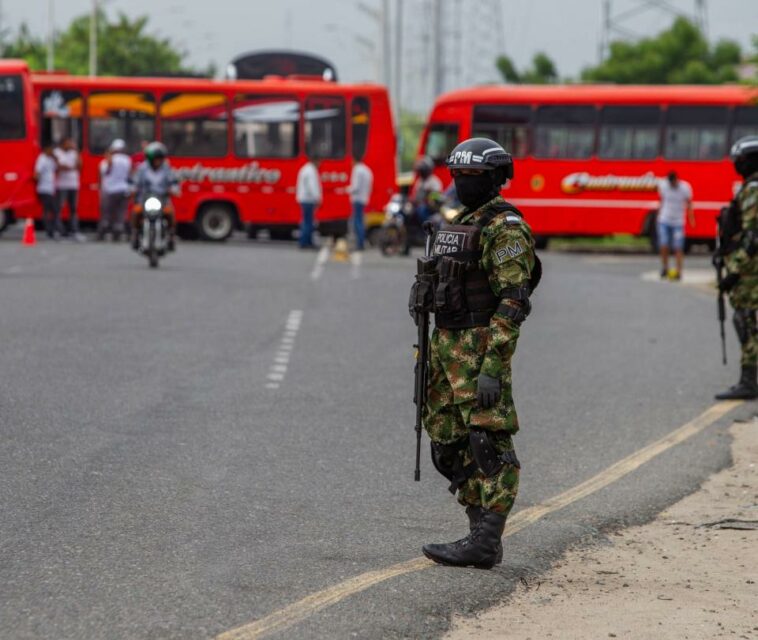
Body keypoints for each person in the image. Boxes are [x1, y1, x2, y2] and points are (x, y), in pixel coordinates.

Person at [411, 138, 541, 569]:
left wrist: (493, 368)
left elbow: (512, 301)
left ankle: (487, 539)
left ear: (495, 178)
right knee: (446, 442)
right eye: (458, 175)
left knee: (488, 443)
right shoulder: (460, 221)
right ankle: (476, 529)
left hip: (481, 349)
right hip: (446, 349)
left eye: (473, 176)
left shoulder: (506, 228)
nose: (463, 183)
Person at [714, 136, 758, 400]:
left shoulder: (753, 189)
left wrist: (733, 272)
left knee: (746, 321)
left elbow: (754, 237)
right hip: (748, 268)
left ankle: (749, 382)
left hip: (750, 272)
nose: (735, 165)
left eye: (739, 160)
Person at [131, 141, 179, 251]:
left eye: (160, 158)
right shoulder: (142, 169)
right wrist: (132, 189)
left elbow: (173, 182)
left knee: (170, 213)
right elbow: (135, 182)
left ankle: (171, 236)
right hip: (145, 200)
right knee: (136, 212)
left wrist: (174, 189)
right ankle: (135, 234)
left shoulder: (166, 168)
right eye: (155, 158)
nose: (158, 161)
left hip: (162, 200)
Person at [657, 171, 694, 280]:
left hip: (678, 222)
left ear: (677, 180)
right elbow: (661, 200)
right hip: (664, 220)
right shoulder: (663, 186)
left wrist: (691, 218)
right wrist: (659, 214)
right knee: (664, 245)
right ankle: (665, 268)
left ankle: (678, 271)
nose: (672, 185)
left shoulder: (685, 188)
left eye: (673, 182)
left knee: (678, 247)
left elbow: (689, 202)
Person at [98, 139, 133, 242]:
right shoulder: (127, 160)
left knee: (107, 213)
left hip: (109, 191)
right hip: (124, 190)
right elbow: (130, 175)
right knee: (121, 213)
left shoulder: (108, 160)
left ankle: (103, 232)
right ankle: (118, 232)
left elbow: (104, 173)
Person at [53, 137, 83, 240]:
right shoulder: (57, 152)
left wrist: (77, 151)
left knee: (73, 209)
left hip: (73, 184)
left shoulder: (73, 153)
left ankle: (74, 231)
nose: (70, 145)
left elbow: (79, 166)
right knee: (59, 208)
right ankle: (59, 230)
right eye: (68, 143)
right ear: (63, 143)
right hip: (62, 185)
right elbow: (60, 166)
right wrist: (70, 167)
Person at [34, 143, 60, 239]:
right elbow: (37, 173)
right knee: (50, 210)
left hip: (51, 188)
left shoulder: (50, 159)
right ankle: (49, 230)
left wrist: (56, 158)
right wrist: (38, 179)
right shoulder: (42, 159)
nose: (52, 152)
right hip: (44, 188)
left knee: (53, 210)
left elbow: (57, 168)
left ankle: (51, 229)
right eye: (51, 150)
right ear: (46, 149)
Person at [296, 156, 322, 249]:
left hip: (304, 199)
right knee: (308, 222)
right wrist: (317, 198)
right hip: (308, 199)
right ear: (315, 161)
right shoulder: (311, 171)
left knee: (307, 221)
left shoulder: (305, 169)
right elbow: (312, 186)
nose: (320, 164)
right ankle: (305, 242)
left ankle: (306, 241)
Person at [348, 155, 373, 251]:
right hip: (364, 198)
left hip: (357, 198)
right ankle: (361, 242)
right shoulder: (366, 170)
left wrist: (347, 190)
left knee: (357, 222)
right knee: (360, 221)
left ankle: (360, 243)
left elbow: (355, 187)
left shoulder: (357, 170)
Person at [409, 155, 443, 223]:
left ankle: (426, 229)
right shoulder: (419, 181)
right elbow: (415, 195)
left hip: (431, 209)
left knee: (421, 210)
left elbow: (437, 197)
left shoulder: (434, 181)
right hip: (419, 205)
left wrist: (429, 195)